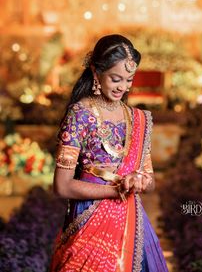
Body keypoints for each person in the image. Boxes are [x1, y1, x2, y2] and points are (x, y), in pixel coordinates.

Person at [49, 34, 169, 272]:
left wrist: (138, 180)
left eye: (129, 80)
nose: (123, 87)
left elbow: (151, 181)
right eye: (116, 79)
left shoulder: (137, 119)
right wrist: (114, 191)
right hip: (89, 218)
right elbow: (62, 186)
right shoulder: (81, 114)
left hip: (132, 221)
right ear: (96, 72)